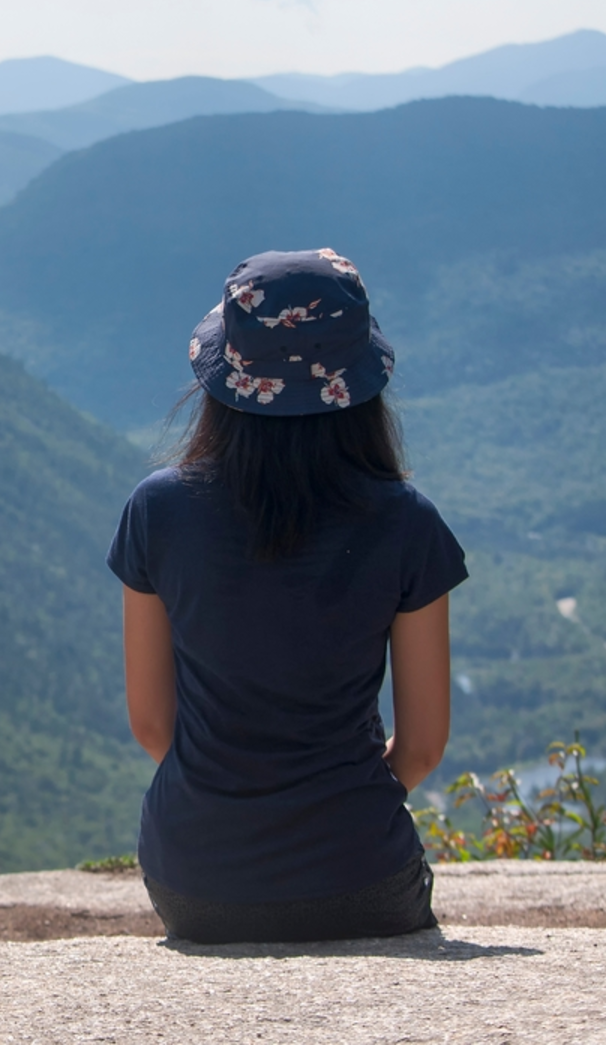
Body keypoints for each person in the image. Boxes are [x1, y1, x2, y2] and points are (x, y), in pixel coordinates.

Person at [106, 248, 466, 944]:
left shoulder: (156, 511)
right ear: (359, 382)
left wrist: (235, 806)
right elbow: (422, 747)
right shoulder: (407, 522)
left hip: (194, 880)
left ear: (227, 376)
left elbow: (152, 724)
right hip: (362, 875)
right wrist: (340, 812)